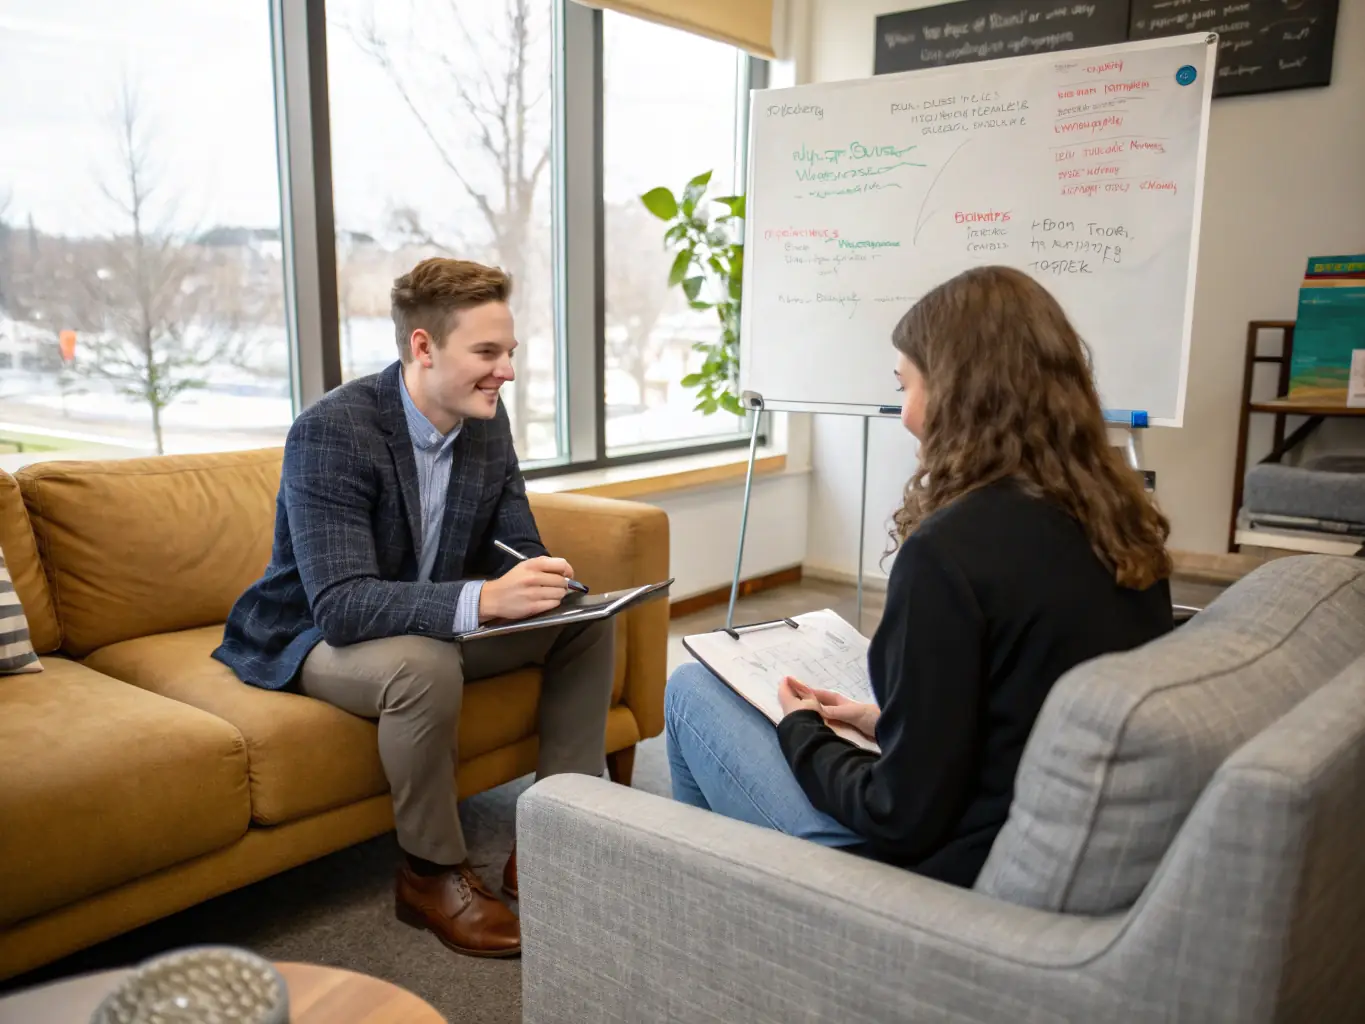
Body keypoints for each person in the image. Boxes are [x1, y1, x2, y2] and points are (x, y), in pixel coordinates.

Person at [665, 264, 1175, 887]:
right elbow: (1022, 705)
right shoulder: (1118, 520)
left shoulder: (947, 555)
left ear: (958, 393)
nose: (903, 415)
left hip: (934, 874)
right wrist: (881, 723)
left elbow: (897, 814)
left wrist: (803, 732)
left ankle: (746, 925)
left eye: (906, 385)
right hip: (1026, 826)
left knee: (690, 692)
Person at [213, 257, 615, 959]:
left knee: (586, 622)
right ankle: (428, 875)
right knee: (424, 665)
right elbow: (340, 604)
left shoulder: (483, 422)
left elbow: (510, 540)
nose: (507, 372)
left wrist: (540, 577)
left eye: (510, 353)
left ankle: (558, 836)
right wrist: (482, 600)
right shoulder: (332, 431)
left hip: (426, 615)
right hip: (311, 632)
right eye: (487, 353)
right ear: (423, 348)